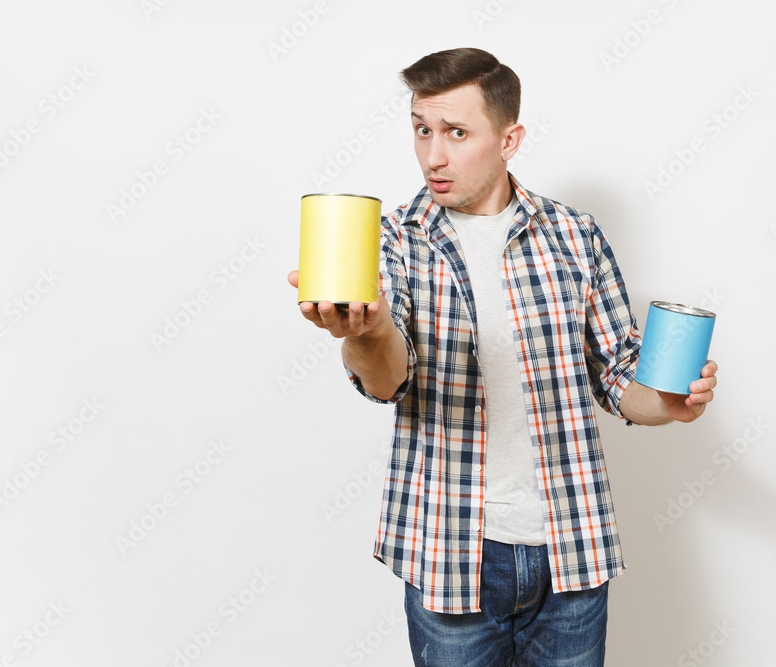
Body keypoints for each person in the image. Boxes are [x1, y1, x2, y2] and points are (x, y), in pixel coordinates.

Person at [287, 47, 718, 667]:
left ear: (509, 138)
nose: (433, 154)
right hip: (450, 550)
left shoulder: (575, 236)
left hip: (571, 546)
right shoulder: (392, 239)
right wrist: (367, 330)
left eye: (457, 133)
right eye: (422, 130)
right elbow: (388, 380)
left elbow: (620, 376)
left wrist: (669, 404)